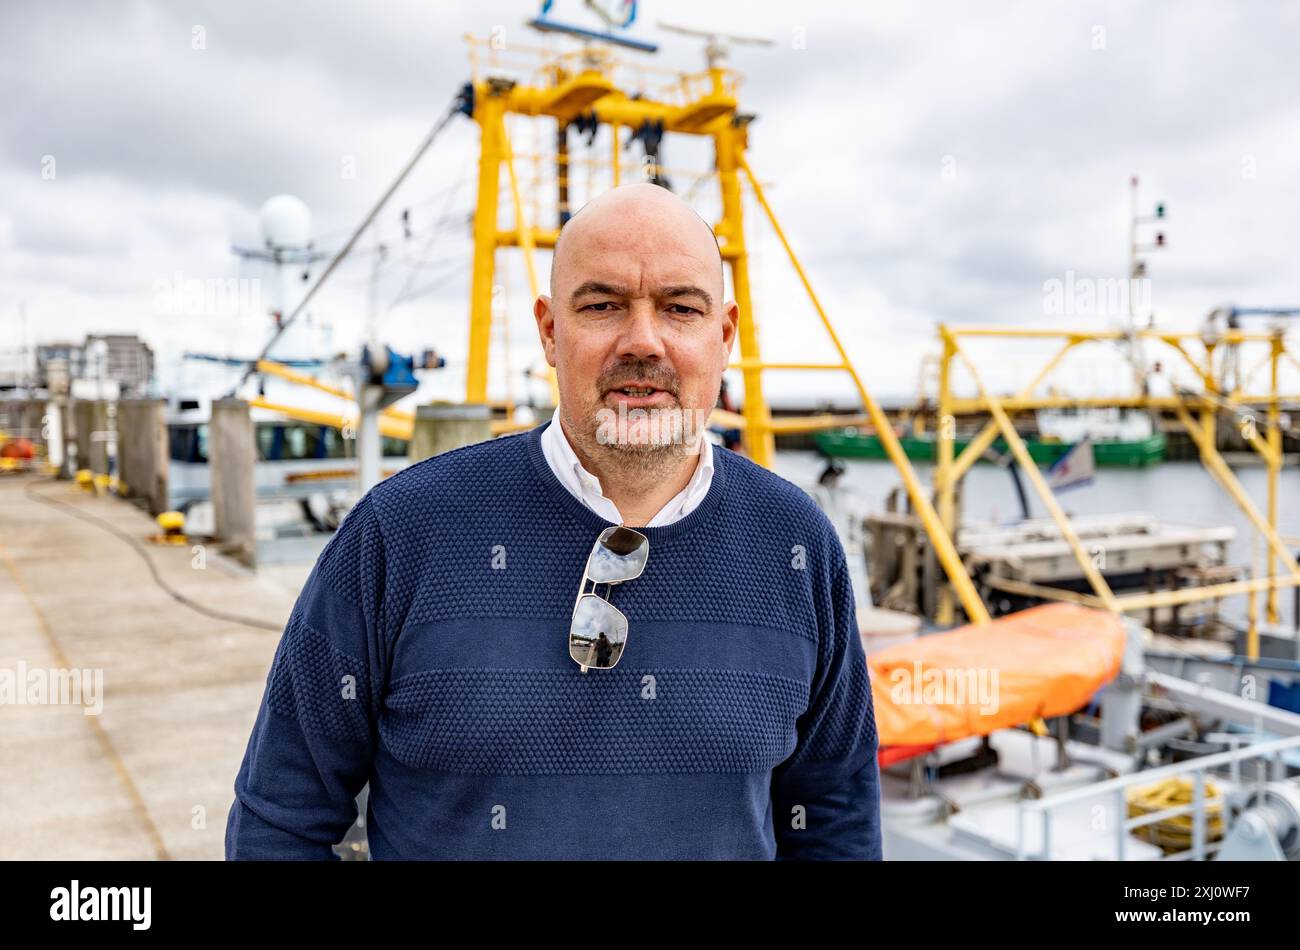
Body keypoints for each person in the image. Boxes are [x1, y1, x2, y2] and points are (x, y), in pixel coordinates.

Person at [225, 182, 881, 860]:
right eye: (603, 305)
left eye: (680, 308)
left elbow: (834, 815)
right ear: (548, 329)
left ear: (724, 334)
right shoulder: (400, 534)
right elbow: (282, 817)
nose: (642, 341)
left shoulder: (796, 546)